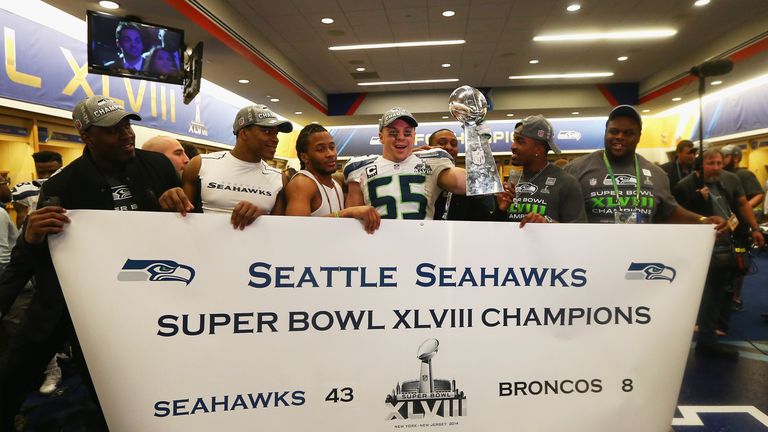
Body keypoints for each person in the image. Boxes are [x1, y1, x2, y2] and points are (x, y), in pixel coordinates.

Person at [0, 95, 191, 430]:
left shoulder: (158, 167)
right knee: (22, 370)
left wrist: (178, 208)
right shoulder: (63, 183)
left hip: (148, 292)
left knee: (141, 376)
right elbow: (32, 256)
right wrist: (33, 239)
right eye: (112, 130)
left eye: (127, 125)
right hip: (78, 302)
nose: (126, 134)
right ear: (86, 136)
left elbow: (187, 229)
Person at [564, 105, 726, 228]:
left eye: (628, 133)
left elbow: (669, 212)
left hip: (641, 258)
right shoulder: (576, 169)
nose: (619, 137)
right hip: (591, 259)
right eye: (614, 131)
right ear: (605, 132)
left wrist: (703, 220)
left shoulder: (657, 174)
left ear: (638, 136)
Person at [673, 148, 764, 358]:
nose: (716, 168)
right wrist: (697, 203)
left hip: (728, 244)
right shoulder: (686, 185)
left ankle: (711, 334)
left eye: (719, 163)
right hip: (698, 248)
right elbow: (676, 214)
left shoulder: (730, 180)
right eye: (711, 163)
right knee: (704, 293)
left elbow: (742, 204)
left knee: (722, 289)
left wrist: (755, 228)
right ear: (700, 164)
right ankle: (704, 338)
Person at [344, 107, 467, 219]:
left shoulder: (433, 161)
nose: (401, 137)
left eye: (407, 133)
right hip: (378, 241)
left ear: (414, 136)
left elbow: (468, 184)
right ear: (381, 137)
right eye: (393, 133)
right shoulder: (359, 167)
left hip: (421, 239)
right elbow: (352, 220)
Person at [182, 104, 291, 229]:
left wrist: (262, 218)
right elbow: (182, 217)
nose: (275, 139)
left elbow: (279, 230)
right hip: (203, 246)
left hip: (254, 247)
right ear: (244, 133)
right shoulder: (199, 164)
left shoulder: (279, 179)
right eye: (267, 131)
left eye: (276, 133)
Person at [284, 124, 380, 233]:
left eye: (332, 147)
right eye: (320, 149)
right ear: (305, 157)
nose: (330, 154)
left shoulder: (336, 181)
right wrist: (347, 213)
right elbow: (295, 229)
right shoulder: (302, 183)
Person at [493, 115, 586, 226]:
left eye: (520, 141)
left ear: (538, 149)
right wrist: (500, 210)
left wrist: (547, 223)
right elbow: (496, 229)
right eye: (514, 140)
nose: (513, 146)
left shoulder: (566, 183)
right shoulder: (512, 181)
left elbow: (578, 230)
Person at [720, 144, 764, 312]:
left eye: (725, 156)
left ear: (736, 158)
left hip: (739, 230)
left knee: (740, 263)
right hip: (724, 228)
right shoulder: (721, 176)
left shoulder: (743, 174)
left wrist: (742, 209)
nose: (722, 160)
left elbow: (758, 194)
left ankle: (736, 297)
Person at [419, 129, 494, 221]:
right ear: (428, 148)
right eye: (442, 143)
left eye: (454, 144)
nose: (449, 147)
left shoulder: (465, 182)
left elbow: (484, 218)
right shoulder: (420, 179)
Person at [11, 151, 63, 228]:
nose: (47, 176)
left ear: (61, 168)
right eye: (41, 172)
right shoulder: (24, 191)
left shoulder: (71, 187)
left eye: (52, 171)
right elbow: (23, 227)